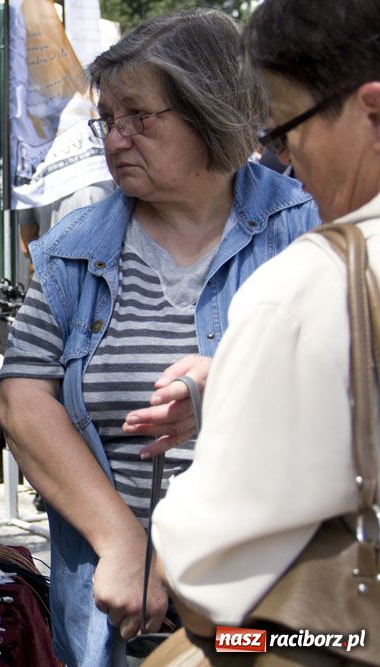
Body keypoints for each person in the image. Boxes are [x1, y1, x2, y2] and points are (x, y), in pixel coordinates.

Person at [0, 10, 321, 665]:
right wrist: (121, 538)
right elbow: (20, 400)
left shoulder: (305, 231)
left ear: (209, 111)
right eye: (108, 119)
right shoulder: (73, 251)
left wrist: (228, 388)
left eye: (140, 117)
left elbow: (351, 388)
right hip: (112, 626)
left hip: (272, 617)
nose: (116, 138)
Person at [150, 0, 380, 660]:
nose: (285, 157)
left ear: (373, 112)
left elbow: (207, 573)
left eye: (284, 129)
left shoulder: (313, 285)